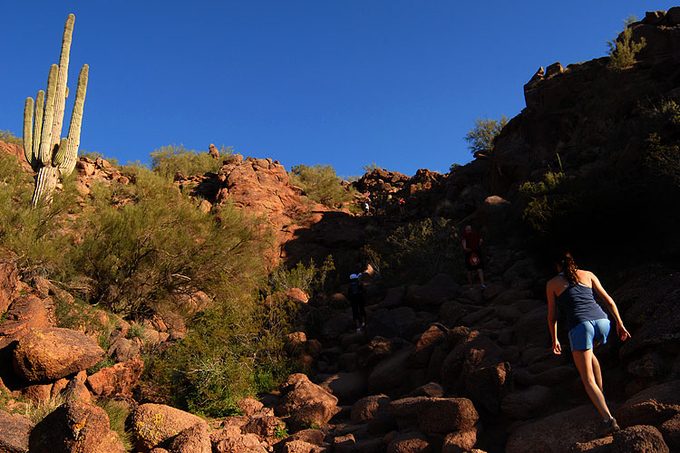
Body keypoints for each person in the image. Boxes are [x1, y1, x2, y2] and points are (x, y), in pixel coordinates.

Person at [546, 251, 631, 435]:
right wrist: (620, 324)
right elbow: (608, 300)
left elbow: (552, 317)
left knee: (587, 379)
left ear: (557, 266)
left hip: (581, 326)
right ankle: (599, 396)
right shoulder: (588, 274)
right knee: (590, 353)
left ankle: (608, 420)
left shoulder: (552, 283)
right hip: (603, 322)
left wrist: (554, 339)